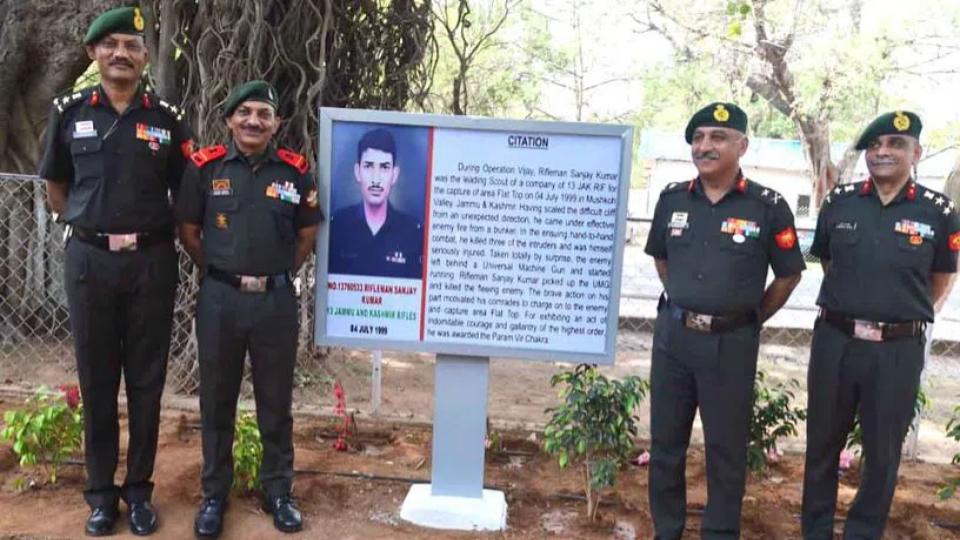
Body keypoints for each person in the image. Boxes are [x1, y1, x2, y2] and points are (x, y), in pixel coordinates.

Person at [37, 6, 192, 536]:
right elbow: (56, 185)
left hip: (151, 262)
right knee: (97, 381)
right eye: (111, 45)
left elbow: (185, 191)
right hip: (89, 263)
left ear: (146, 55)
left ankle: (140, 493)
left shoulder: (167, 118)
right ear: (93, 54)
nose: (121, 53)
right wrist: (86, 226)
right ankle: (101, 496)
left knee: (146, 383)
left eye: (132, 44)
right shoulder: (69, 109)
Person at [644, 102, 805, 539]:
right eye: (697, 138)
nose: (704, 146)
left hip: (730, 345)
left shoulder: (767, 206)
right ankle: (668, 530)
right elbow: (662, 258)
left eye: (716, 137)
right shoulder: (672, 198)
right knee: (665, 447)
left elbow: (789, 273)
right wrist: (687, 302)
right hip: (674, 339)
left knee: (726, 450)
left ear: (742, 145)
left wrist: (746, 317)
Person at [801, 111, 959, 539]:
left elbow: (942, 278)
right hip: (836, 342)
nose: (883, 152)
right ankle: (815, 532)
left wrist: (899, 314)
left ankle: (862, 532)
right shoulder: (840, 201)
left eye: (894, 144)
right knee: (821, 447)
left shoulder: (939, 211)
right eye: (875, 146)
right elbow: (829, 262)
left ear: (915, 153)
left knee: (883, 453)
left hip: (896, 351)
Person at [176, 80, 322, 538]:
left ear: (276, 122)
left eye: (264, 113)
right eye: (245, 113)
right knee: (216, 401)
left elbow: (306, 236)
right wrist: (223, 273)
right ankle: (214, 495)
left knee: (275, 404)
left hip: (276, 302)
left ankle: (278, 492)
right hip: (220, 301)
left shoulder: (295, 172)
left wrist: (276, 273)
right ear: (230, 120)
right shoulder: (204, 168)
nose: (254, 121)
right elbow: (189, 230)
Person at [328, 128, 423, 279]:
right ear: (358, 172)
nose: (376, 179)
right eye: (369, 166)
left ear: (394, 175)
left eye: (384, 167)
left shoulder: (413, 232)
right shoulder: (337, 226)